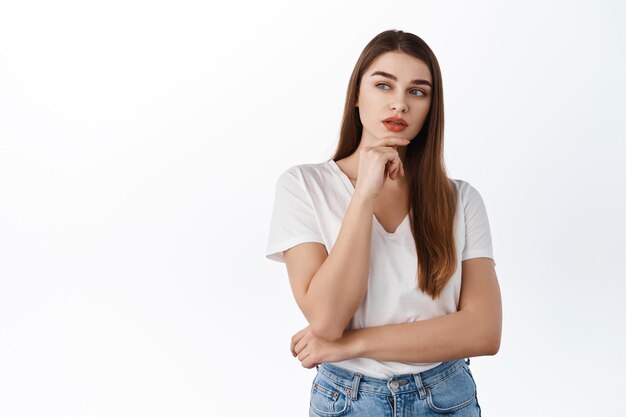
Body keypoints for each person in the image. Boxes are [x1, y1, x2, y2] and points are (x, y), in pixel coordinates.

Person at [266, 29, 501, 417]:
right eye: (383, 85)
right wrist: (364, 194)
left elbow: (484, 331)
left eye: (417, 91)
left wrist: (349, 345)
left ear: (430, 108)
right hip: (348, 401)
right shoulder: (304, 186)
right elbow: (326, 320)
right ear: (356, 95)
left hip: (445, 398)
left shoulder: (461, 199)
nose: (399, 103)